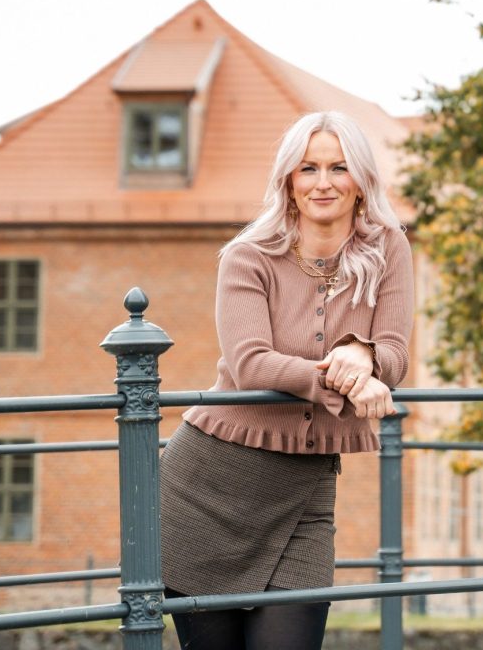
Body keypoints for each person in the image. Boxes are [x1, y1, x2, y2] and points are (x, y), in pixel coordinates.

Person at [160, 110, 414, 650]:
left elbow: (395, 353)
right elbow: (251, 362)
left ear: (361, 181)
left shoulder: (389, 248)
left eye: (339, 168)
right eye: (308, 169)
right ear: (289, 182)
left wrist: (363, 353)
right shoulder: (247, 257)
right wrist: (350, 380)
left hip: (306, 497)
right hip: (207, 488)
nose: (324, 183)